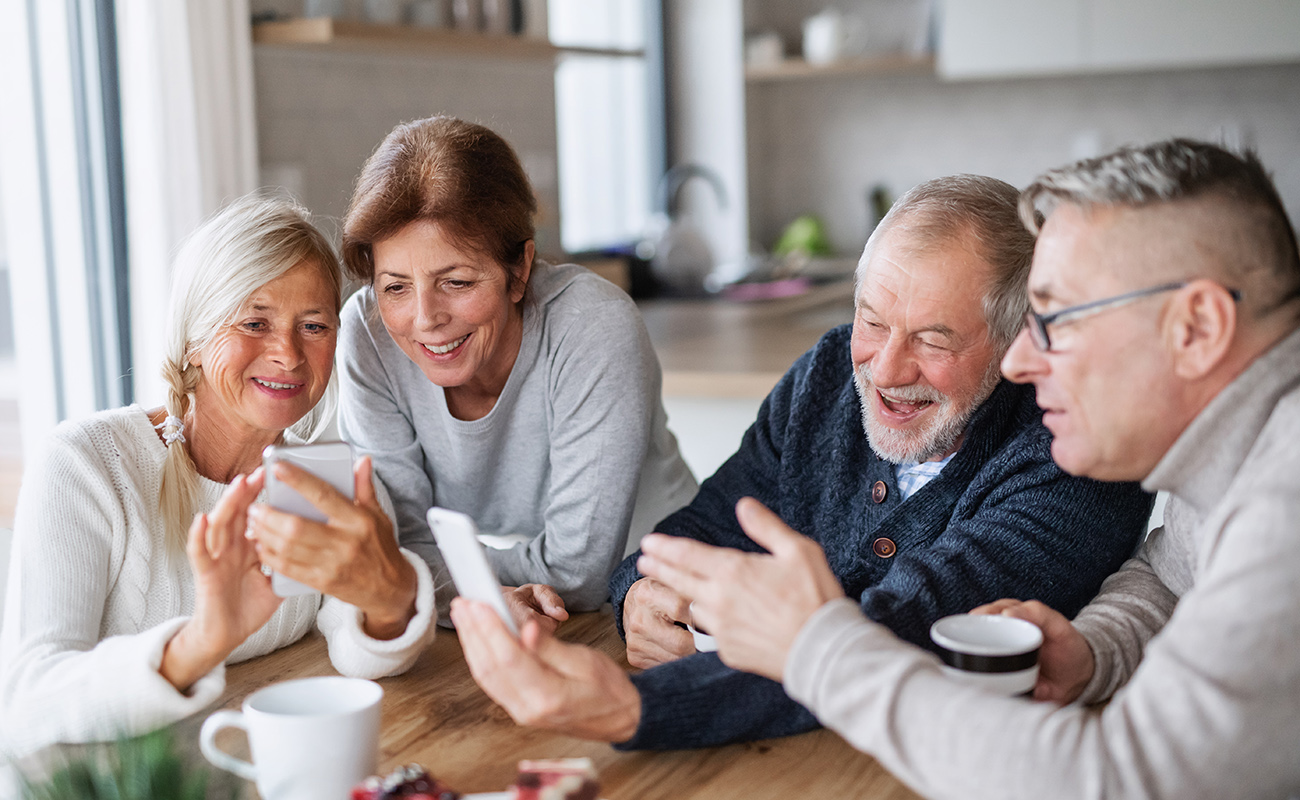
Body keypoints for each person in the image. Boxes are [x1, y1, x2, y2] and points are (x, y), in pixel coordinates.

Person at [633, 139, 1300, 799]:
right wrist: (1095, 650)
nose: (1022, 364)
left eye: (1058, 320)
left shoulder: (1285, 506)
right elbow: (1168, 574)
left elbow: (1115, 780)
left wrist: (814, 650)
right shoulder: (1236, 449)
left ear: (1198, 328)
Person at [450, 174, 1155, 748]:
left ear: (1015, 344)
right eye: (873, 321)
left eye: (934, 340)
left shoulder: (1073, 453)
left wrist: (637, 708)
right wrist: (639, 589)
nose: (885, 367)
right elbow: (704, 526)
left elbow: (894, 633)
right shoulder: (825, 379)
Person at [2, 195, 463, 757]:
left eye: (313, 326)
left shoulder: (325, 481)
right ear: (194, 340)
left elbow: (360, 648)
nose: (288, 354)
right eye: (255, 322)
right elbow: (26, 703)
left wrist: (390, 601)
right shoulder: (86, 464)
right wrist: (201, 643)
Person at [337, 116, 697, 613]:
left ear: (519, 270)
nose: (425, 319)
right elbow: (398, 542)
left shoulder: (592, 326)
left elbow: (579, 574)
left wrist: (425, 581)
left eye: (457, 282)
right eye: (395, 286)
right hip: (523, 607)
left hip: (665, 590)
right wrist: (479, 592)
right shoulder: (367, 333)